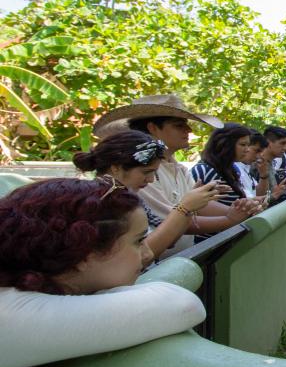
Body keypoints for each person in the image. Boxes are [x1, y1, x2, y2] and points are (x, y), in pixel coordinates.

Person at [0, 178, 206, 367]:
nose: (147, 253)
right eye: (138, 241)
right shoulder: (12, 315)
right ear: (83, 253)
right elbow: (183, 305)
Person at [92, 94, 248, 257]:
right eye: (179, 125)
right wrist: (227, 218)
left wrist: (233, 212)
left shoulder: (178, 169)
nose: (189, 130)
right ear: (153, 128)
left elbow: (180, 222)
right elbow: (163, 234)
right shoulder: (131, 181)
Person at [72, 131, 256, 264]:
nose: (151, 179)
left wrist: (189, 209)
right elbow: (143, 256)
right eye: (146, 172)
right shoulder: (102, 201)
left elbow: (169, 240)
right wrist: (184, 208)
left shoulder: (129, 197)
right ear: (116, 167)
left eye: (154, 172)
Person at [190, 124, 253, 241]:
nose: (247, 149)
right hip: (208, 242)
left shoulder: (232, 170)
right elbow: (197, 209)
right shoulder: (204, 170)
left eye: (248, 145)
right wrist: (241, 213)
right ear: (226, 144)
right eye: (243, 145)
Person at [257, 127, 286, 200]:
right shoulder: (257, 164)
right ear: (268, 142)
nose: (285, 148)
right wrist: (274, 194)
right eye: (282, 143)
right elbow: (255, 198)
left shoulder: (270, 163)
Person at [237, 132, 268, 197]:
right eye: (257, 151)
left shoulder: (246, 168)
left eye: (261, 152)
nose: (259, 156)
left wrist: (263, 175)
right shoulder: (233, 168)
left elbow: (259, 194)